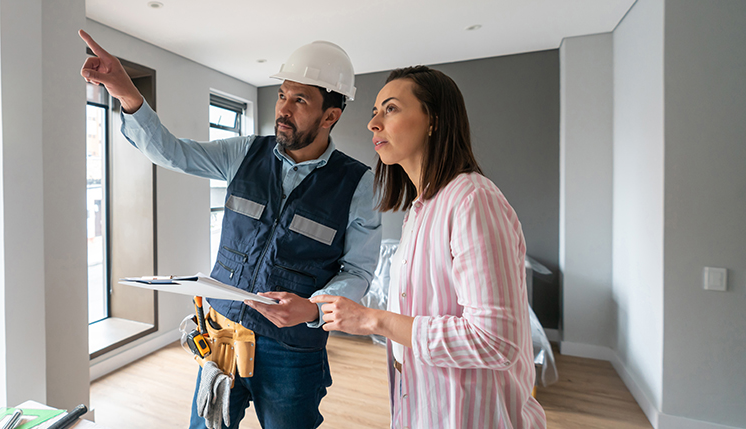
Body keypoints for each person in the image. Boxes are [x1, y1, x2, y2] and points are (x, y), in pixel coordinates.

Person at [79, 30, 382, 429]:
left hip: (291, 350)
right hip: (222, 334)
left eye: (300, 99)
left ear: (331, 116)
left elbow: (357, 271)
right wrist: (127, 94)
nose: (283, 109)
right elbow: (173, 152)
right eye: (281, 95)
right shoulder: (244, 153)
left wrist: (313, 307)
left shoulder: (359, 184)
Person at [311, 66, 547, 428]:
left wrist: (373, 319)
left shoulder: (472, 200)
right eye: (374, 112)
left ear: (433, 120)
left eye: (390, 109)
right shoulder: (420, 211)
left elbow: (495, 341)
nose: (373, 123)